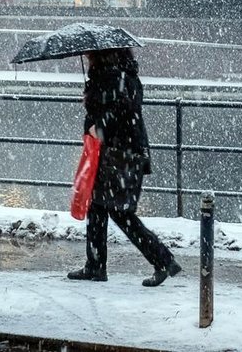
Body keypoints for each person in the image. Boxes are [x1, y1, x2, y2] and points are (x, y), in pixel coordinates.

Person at [67, 47, 182, 287]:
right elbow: (119, 111)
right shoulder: (122, 76)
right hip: (124, 154)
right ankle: (95, 265)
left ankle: (162, 260)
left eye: (90, 56)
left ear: (101, 56)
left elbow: (119, 112)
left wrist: (98, 124)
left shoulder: (112, 79)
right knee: (98, 208)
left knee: (120, 212)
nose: (88, 59)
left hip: (119, 156)